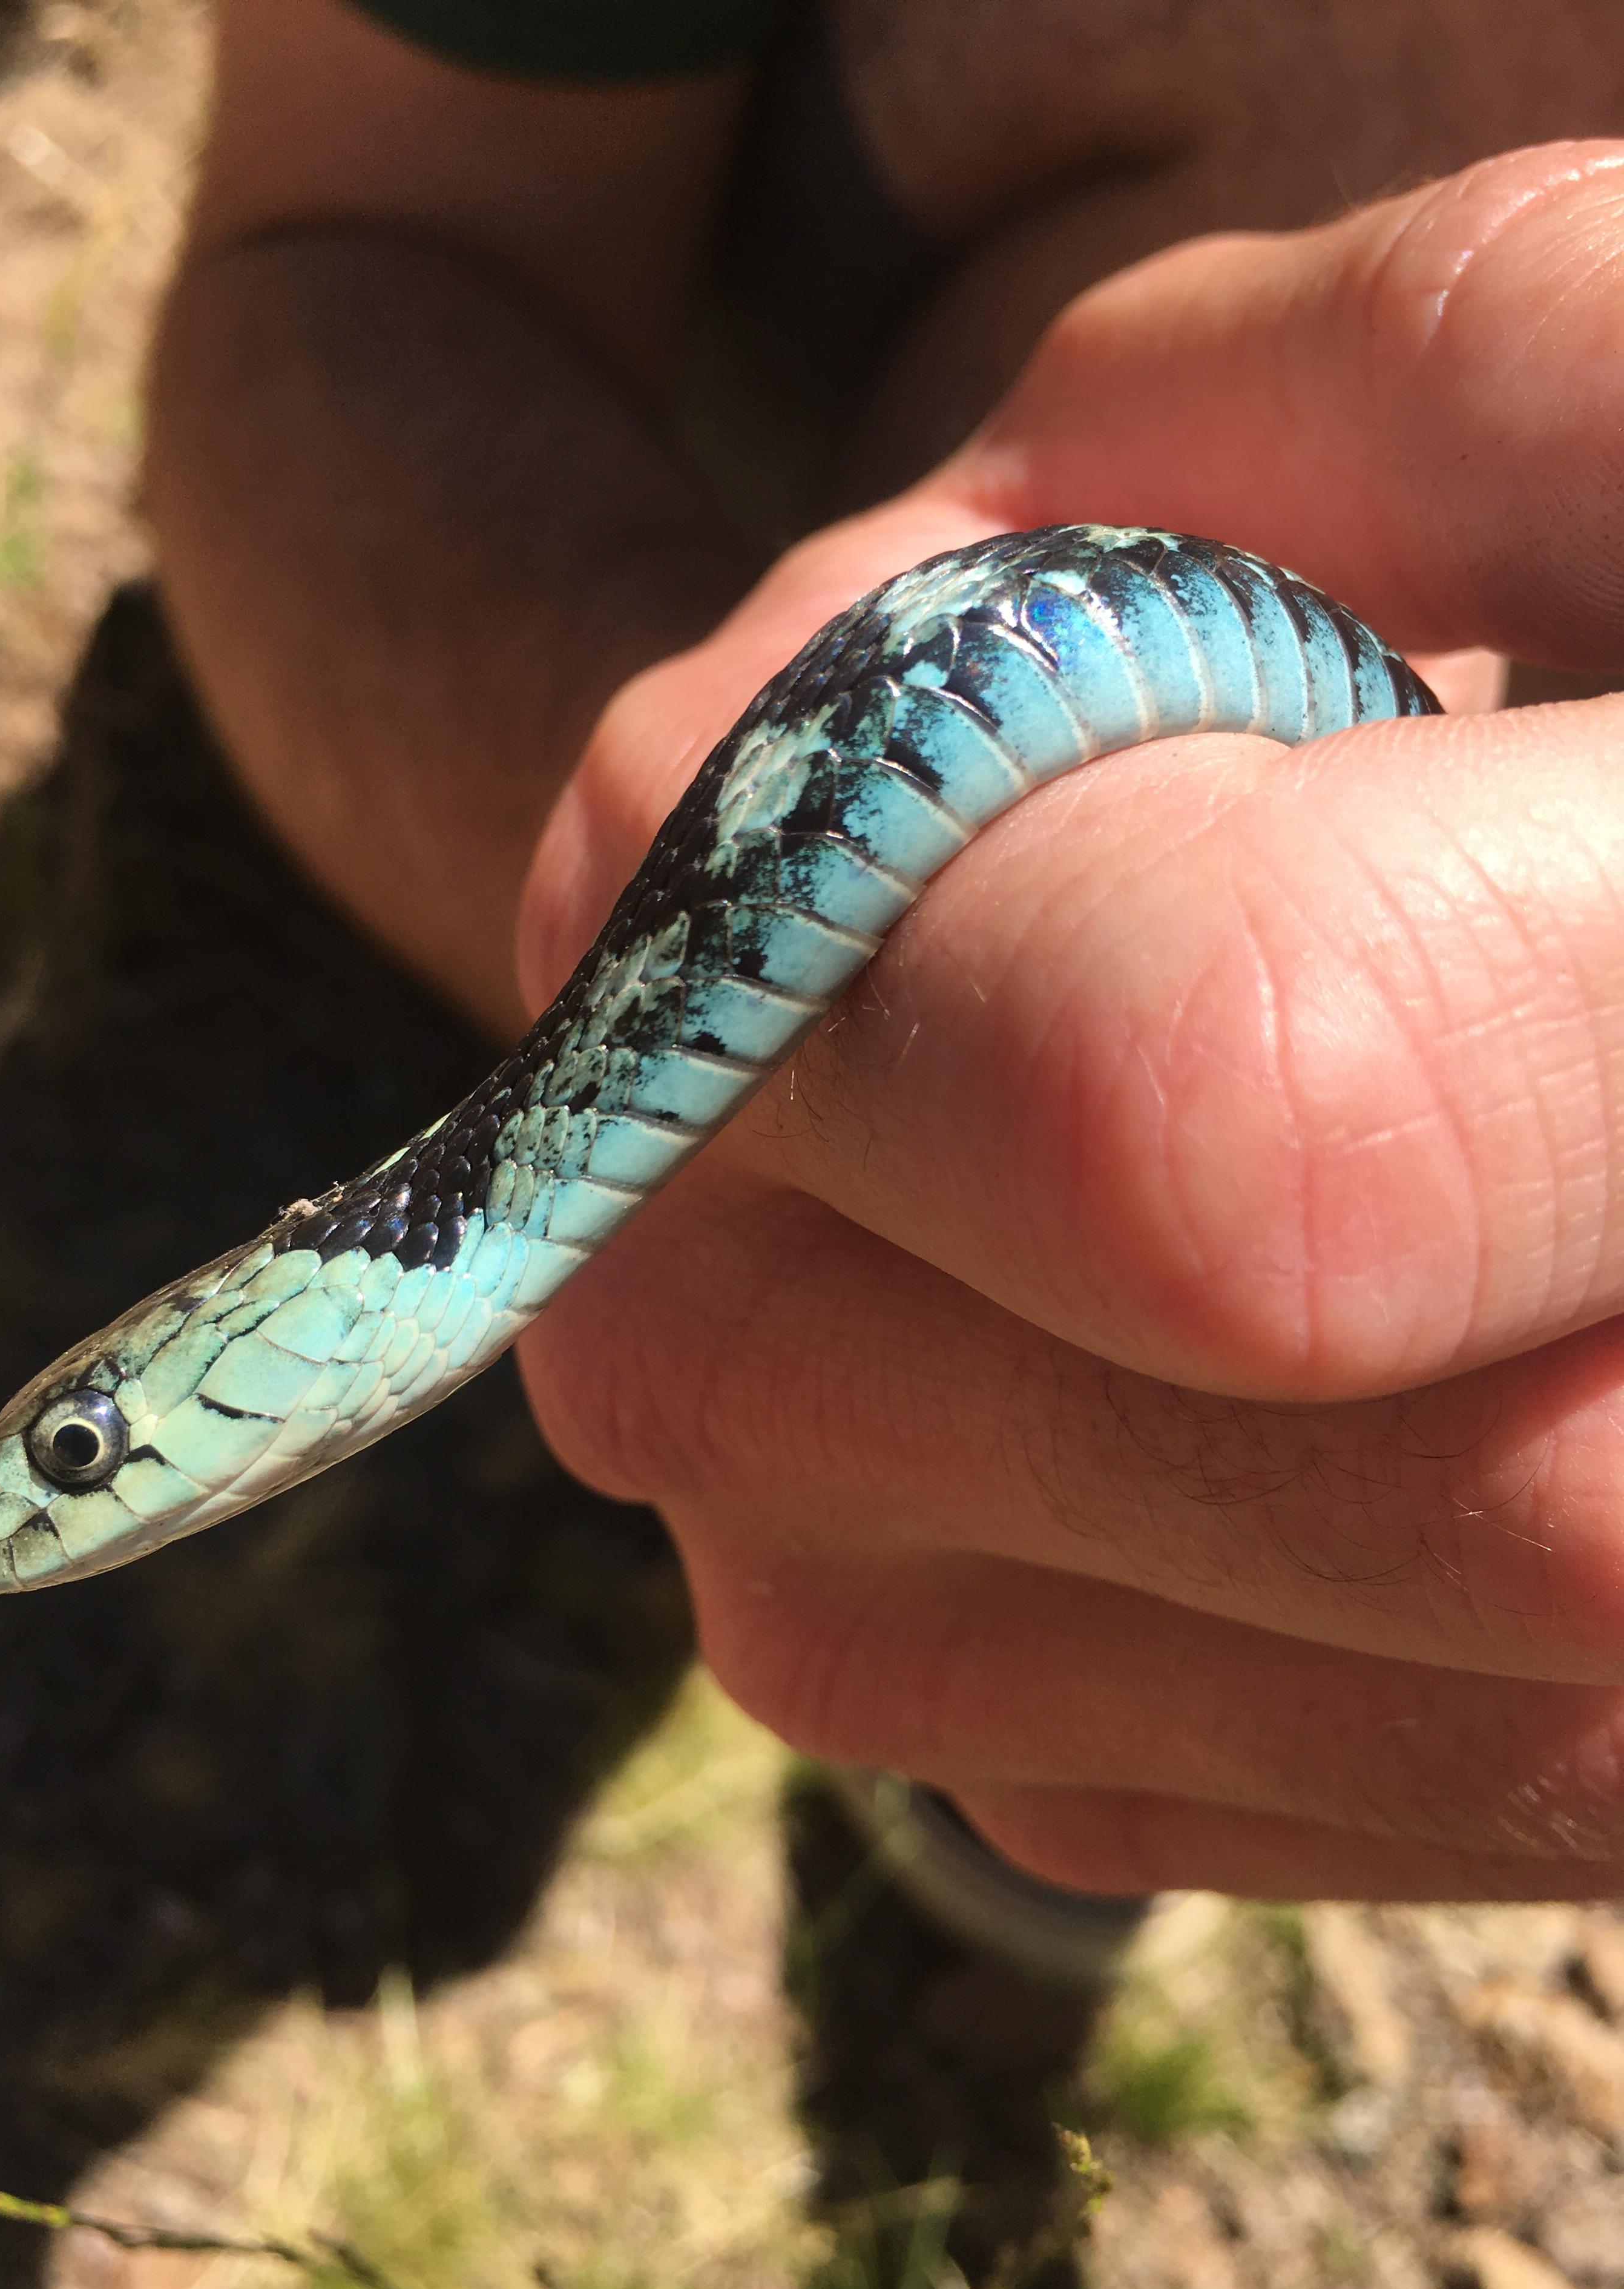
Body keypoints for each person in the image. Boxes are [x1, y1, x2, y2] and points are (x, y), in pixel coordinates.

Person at [145, 0, 1624, 1911]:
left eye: (104, 1442)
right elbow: (362, 246)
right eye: (100, 1447)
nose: (109, 1474)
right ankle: (1048, 1425)